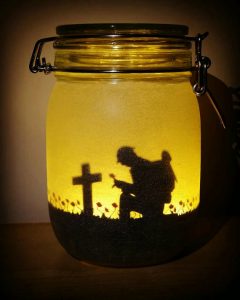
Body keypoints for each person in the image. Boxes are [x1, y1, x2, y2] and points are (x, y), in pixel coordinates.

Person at [110, 147, 169, 220]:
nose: (122, 163)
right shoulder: (143, 163)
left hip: (151, 207)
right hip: (156, 206)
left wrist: (123, 185)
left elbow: (140, 190)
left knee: (124, 198)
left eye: (122, 160)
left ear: (128, 157)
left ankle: (124, 225)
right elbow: (142, 188)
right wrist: (125, 186)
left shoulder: (138, 167)